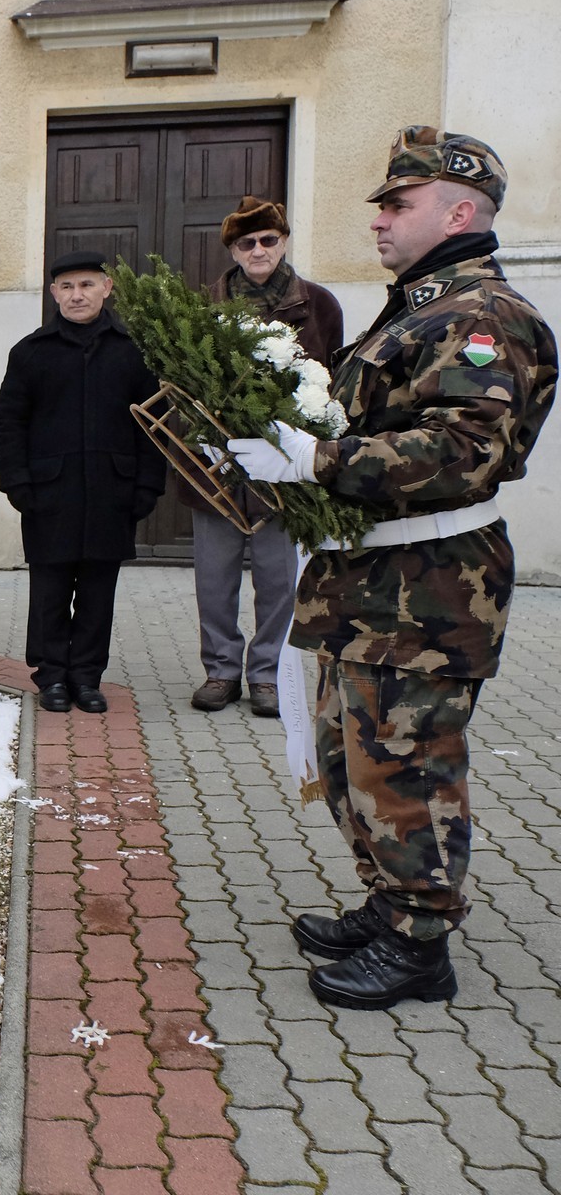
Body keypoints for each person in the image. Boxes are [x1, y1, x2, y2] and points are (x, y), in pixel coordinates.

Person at [227, 127, 556, 1009]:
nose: (378, 219)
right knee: (355, 762)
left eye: (398, 204)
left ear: (459, 213)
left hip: (432, 588)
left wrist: (317, 461)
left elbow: (464, 450)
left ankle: (420, 943)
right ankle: (390, 902)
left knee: (406, 768)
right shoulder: (417, 308)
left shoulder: (483, 317)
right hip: (376, 581)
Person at [186, 197, 345, 718]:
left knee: (278, 579)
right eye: (246, 243)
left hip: (285, 469)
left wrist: (308, 446)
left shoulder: (319, 304)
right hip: (219, 466)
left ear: (284, 241)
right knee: (215, 578)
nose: (258, 250)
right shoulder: (205, 306)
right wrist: (204, 433)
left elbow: (332, 384)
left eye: (268, 240)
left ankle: (267, 674)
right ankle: (220, 670)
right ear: (233, 250)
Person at [0, 250, 166, 714]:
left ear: (106, 288)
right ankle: (51, 676)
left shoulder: (134, 351)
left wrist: (148, 485)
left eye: (87, 284)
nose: (77, 295)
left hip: (113, 491)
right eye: (67, 287)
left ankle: (87, 678)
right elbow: (9, 421)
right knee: (49, 592)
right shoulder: (31, 352)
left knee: (97, 594)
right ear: (54, 293)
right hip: (49, 492)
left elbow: (155, 425)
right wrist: (17, 483)